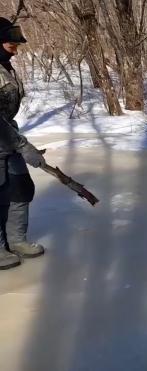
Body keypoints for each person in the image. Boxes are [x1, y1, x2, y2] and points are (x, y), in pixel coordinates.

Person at [0, 17, 46, 270]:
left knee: (20, 189)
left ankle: (16, 240)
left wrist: (16, 143)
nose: (16, 49)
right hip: (6, 140)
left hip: (8, 140)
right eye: (10, 45)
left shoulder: (6, 67)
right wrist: (22, 145)